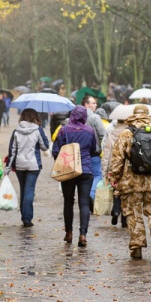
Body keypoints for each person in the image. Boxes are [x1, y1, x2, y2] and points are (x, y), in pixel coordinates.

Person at [107, 105, 151, 259]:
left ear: (133, 116)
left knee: (133, 214)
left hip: (131, 181)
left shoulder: (126, 133)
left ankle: (137, 247)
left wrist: (115, 178)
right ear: (148, 115)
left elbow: (117, 159)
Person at [52, 105, 100, 248]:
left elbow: (55, 150)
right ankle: (83, 234)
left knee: (68, 201)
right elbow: (93, 149)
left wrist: (61, 159)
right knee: (84, 203)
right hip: (85, 170)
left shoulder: (64, 130)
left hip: (68, 170)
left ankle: (69, 233)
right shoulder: (90, 131)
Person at [4, 109, 50, 227]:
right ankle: (27, 218)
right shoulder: (38, 130)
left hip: (19, 165)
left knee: (23, 190)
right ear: (35, 117)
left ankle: (25, 217)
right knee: (29, 190)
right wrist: (42, 134)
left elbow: (12, 151)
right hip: (33, 165)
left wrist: (8, 168)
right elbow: (45, 147)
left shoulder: (16, 131)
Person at [102, 115, 127, 228]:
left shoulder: (112, 133)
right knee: (126, 192)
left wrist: (105, 171)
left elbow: (107, 152)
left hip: (114, 165)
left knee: (116, 188)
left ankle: (116, 209)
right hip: (128, 166)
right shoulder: (131, 133)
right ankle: (124, 219)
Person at [82, 95, 106, 206]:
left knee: (83, 177)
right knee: (97, 175)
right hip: (93, 153)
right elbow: (102, 134)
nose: (95, 105)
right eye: (93, 103)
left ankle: (84, 196)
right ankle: (90, 195)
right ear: (86, 105)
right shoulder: (95, 117)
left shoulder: (75, 117)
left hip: (80, 153)